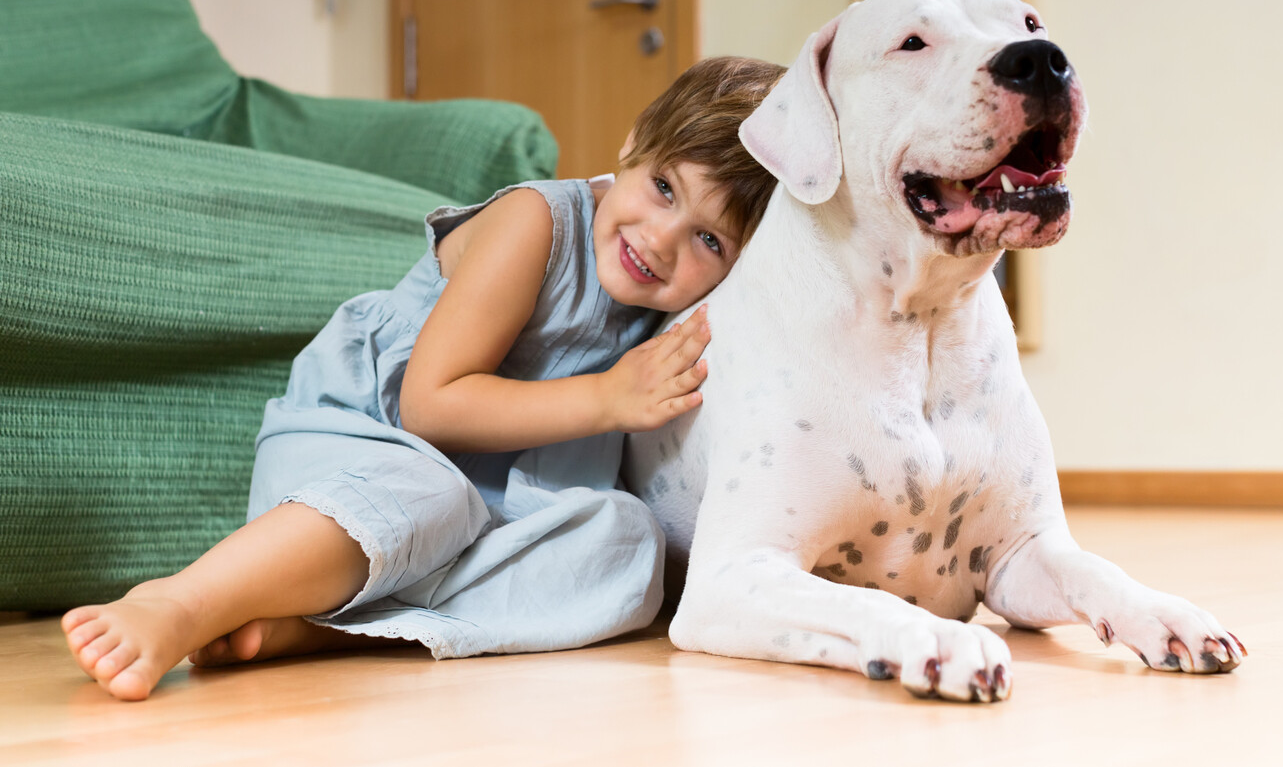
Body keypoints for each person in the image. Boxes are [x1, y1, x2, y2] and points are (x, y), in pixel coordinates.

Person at [61, 56, 786, 701]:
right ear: (631, 145)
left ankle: (328, 631)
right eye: (662, 188)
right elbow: (430, 407)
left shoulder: (671, 309)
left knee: (626, 544)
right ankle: (181, 601)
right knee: (432, 491)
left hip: (484, 508)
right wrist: (605, 398)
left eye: (709, 239)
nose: (660, 239)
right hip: (359, 454)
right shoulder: (537, 222)